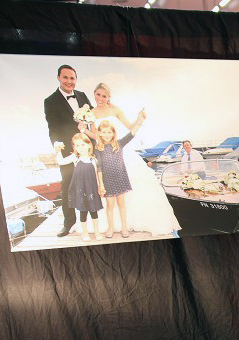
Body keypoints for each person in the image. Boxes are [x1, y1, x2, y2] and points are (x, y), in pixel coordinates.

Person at [86, 82, 180, 237]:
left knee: (127, 195)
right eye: (98, 95)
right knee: (109, 202)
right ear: (94, 94)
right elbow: (96, 135)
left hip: (119, 151)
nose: (100, 98)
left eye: (104, 96)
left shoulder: (115, 110)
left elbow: (130, 128)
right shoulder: (90, 113)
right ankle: (110, 226)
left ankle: (129, 224)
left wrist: (139, 120)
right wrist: (83, 129)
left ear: (109, 97)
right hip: (104, 153)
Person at [44, 64, 91, 238]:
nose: (69, 81)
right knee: (68, 187)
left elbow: (92, 117)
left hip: (87, 147)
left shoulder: (82, 95)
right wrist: (56, 142)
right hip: (67, 150)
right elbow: (52, 127)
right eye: (65, 77)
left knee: (92, 182)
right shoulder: (50, 101)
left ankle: (95, 220)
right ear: (58, 78)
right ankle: (69, 223)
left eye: (72, 78)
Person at [92, 116, 144, 239]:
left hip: (120, 178)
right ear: (99, 133)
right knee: (110, 205)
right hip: (107, 181)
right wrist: (101, 184)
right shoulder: (98, 148)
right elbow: (99, 167)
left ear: (113, 133)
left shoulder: (119, 144)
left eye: (109, 132)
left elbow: (131, 134)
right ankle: (110, 228)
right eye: (104, 132)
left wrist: (139, 121)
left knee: (121, 204)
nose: (107, 135)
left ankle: (124, 227)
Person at [54, 133, 104, 242]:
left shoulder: (93, 160)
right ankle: (85, 233)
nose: (80, 147)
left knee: (94, 212)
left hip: (91, 190)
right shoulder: (75, 158)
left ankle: (97, 232)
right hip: (80, 190)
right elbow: (61, 162)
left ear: (89, 145)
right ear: (74, 147)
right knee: (83, 212)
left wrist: (100, 186)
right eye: (77, 145)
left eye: (83, 144)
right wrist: (58, 151)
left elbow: (97, 175)